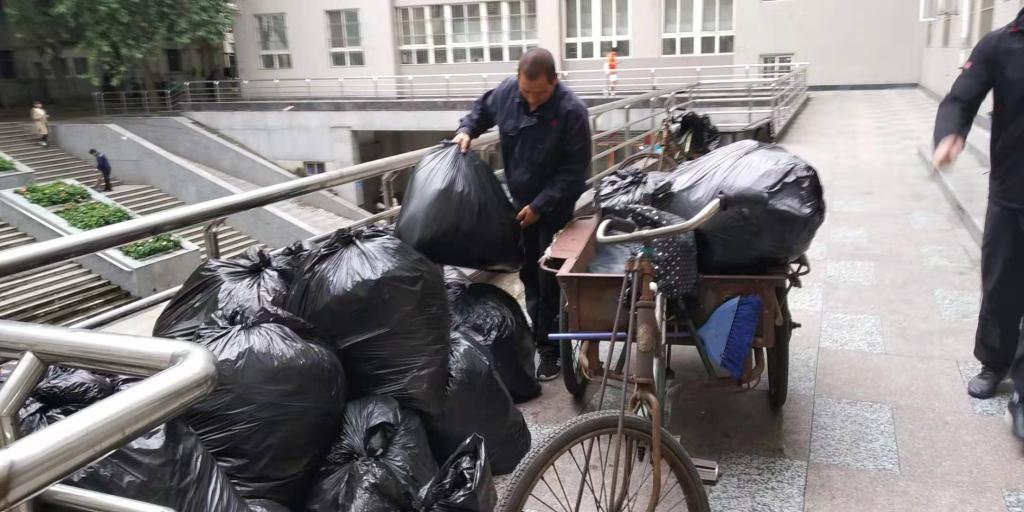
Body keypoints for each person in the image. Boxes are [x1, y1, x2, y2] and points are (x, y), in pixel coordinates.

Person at [454, 48, 592, 381]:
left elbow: (574, 173)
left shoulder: (571, 112)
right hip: (520, 204)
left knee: (549, 278)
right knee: (529, 272)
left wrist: (540, 206)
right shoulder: (507, 94)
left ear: (555, 82)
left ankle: (551, 348)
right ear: (518, 80)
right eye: (526, 92)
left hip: (554, 208)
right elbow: (482, 110)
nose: (531, 100)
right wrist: (467, 130)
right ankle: (540, 333)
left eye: (539, 94)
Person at [932, 7, 1024, 441]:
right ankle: (994, 362)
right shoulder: (1000, 44)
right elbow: (960, 98)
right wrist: (950, 134)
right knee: (1001, 282)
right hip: (1010, 189)